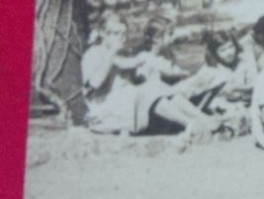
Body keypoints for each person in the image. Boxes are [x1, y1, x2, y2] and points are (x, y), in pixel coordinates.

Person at [81, 19, 218, 141]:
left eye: (124, 34)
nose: (122, 38)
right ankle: (190, 123)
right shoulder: (93, 54)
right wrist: (111, 55)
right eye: (116, 34)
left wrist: (142, 63)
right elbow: (94, 84)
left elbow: (130, 68)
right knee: (149, 90)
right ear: (104, 34)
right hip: (106, 108)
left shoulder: (119, 54)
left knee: (157, 86)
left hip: (124, 102)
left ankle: (201, 118)